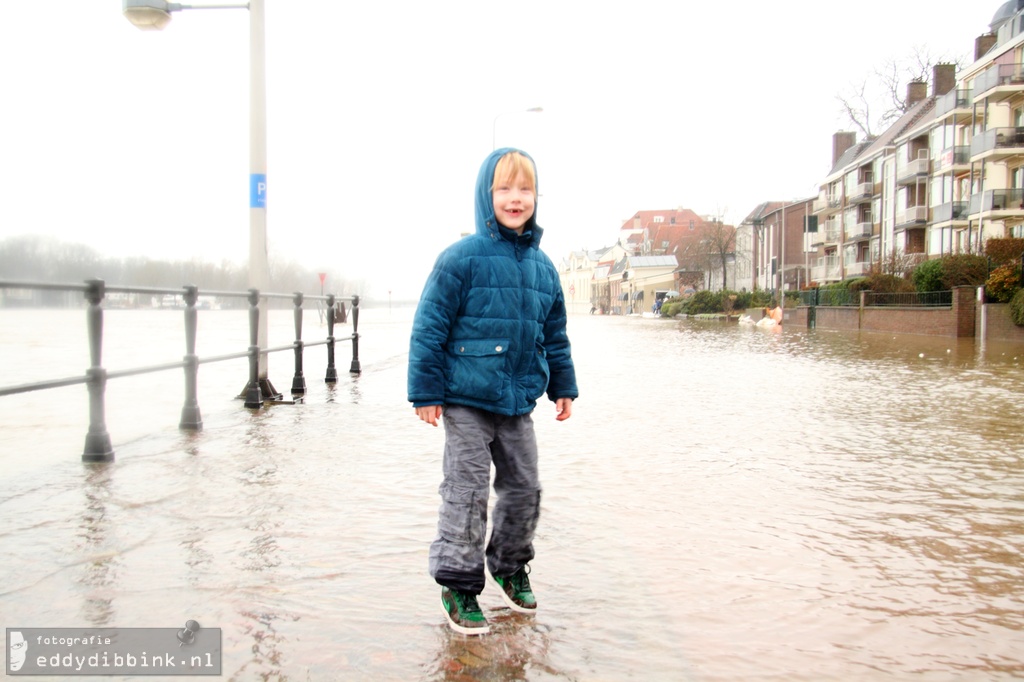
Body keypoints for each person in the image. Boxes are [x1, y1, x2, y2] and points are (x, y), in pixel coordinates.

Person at [408, 148, 578, 636]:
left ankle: (508, 564)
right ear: (487, 196)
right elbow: (429, 326)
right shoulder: (460, 258)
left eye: (525, 189)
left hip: (517, 401)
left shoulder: (544, 268)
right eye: (504, 189)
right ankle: (459, 585)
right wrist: (425, 391)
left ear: (536, 198)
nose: (515, 198)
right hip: (464, 399)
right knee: (466, 490)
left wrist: (563, 385)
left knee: (525, 487)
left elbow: (555, 333)